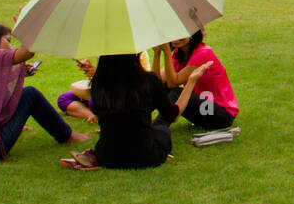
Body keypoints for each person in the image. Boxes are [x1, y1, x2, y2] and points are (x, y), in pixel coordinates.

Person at [0, 22, 91, 162]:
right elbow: (27, 52)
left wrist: (20, 71)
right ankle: (67, 136)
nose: (10, 46)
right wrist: (25, 29)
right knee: (30, 94)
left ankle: (9, 127)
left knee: (25, 95)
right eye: (8, 41)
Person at [66, 52, 210, 170]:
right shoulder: (147, 81)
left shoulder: (99, 84)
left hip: (108, 157)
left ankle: (93, 155)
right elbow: (173, 115)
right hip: (146, 156)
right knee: (162, 131)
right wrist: (191, 81)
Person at [156, 30, 238, 130]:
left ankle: (156, 129)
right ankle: (141, 124)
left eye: (181, 35)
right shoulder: (179, 54)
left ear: (192, 34)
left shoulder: (203, 53)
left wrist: (167, 53)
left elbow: (173, 83)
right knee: (160, 88)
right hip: (204, 109)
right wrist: (157, 53)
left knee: (176, 92)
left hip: (222, 115)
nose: (175, 39)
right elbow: (156, 81)